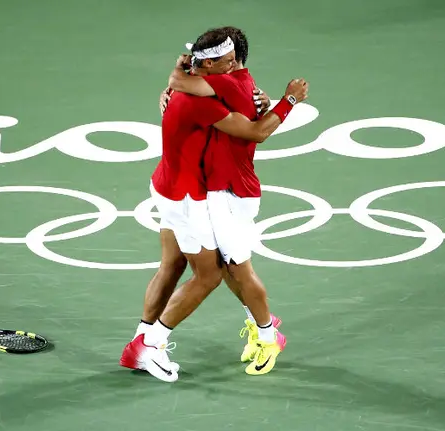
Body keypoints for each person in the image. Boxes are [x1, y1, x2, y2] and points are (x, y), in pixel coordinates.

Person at [119, 29, 309, 383]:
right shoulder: (207, 93)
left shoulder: (198, 85)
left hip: (179, 188)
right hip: (193, 196)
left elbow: (186, 82)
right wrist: (288, 101)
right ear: (208, 64)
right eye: (227, 60)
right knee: (213, 273)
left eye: (235, 59)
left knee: (177, 264)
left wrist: (174, 83)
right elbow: (255, 131)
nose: (233, 65)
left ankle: (143, 340)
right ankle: (149, 346)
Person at [167, 26, 291, 376]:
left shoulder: (227, 84)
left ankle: (269, 336)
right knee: (228, 266)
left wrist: (288, 101)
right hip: (219, 193)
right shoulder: (238, 83)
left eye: (215, 60)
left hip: (232, 195)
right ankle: (259, 321)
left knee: (239, 268)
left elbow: (180, 83)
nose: (202, 66)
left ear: (230, 61)